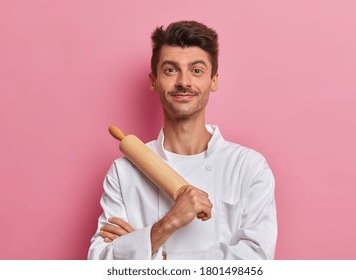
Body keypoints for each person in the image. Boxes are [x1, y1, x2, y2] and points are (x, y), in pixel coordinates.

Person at [88, 20, 277, 260]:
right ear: (154, 80)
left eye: (196, 70)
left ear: (214, 80)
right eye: (171, 70)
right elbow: (100, 263)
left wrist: (151, 254)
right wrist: (169, 222)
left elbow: (255, 262)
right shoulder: (123, 172)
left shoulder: (248, 167)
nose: (184, 82)